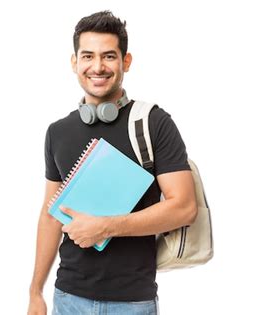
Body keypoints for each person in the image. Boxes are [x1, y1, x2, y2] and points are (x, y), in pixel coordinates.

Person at [27, 10, 197, 315]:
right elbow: (51, 216)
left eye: (108, 56)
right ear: (74, 62)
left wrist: (105, 227)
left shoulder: (154, 123)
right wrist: (35, 291)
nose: (97, 67)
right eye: (88, 56)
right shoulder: (57, 132)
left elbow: (184, 207)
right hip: (67, 298)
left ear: (125, 62)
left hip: (133, 303)